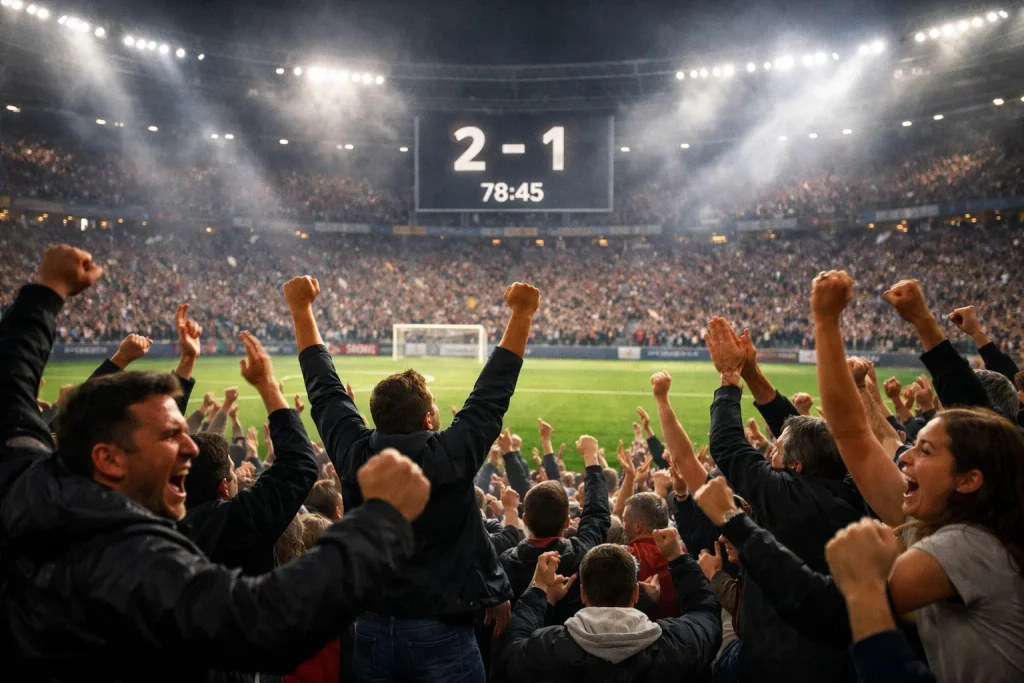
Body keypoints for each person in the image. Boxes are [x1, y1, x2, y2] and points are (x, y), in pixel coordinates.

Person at [0, 245, 431, 681]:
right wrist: (379, 519)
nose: (190, 446)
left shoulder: (26, 481)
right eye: (171, 436)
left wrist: (47, 291)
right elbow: (264, 619)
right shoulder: (131, 561)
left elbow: (12, 383)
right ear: (108, 458)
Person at [285, 273, 541, 682]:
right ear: (428, 420)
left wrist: (301, 310)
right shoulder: (451, 454)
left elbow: (325, 391)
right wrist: (522, 314)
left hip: (370, 627)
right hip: (441, 631)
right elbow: (491, 395)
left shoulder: (354, 453)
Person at [811, 270, 1024, 683]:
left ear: (969, 480)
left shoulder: (969, 544)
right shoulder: (946, 517)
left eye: (925, 450)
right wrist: (826, 324)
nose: (905, 455)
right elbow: (854, 436)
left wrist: (861, 574)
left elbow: (836, 612)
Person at [702, 315, 863, 681]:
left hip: (772, 660)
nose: (770, 452)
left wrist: (729, 378)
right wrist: (751, 372)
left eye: (776, 450)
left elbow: (727, 446)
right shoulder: (850, 487)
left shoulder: (785, 496)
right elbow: (801, 433)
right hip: (834, 659)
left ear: (796, 466)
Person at [182, 331, 320, 576]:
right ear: (223, 488)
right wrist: (267, 383)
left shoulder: (157, 524)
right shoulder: (240, 523)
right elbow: (299, 465)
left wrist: (187, 362)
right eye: (231, 473)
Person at [498, 532, 721, 681]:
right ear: (636, 593)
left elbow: (511, 649)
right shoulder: (678, 644)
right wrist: (678, 558)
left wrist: (539, 589)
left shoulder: (549, 648)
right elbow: (706, 613)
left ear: (583, 594)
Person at [499, 434, 610, 625]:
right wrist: (591, 458)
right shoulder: (581, 554)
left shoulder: (505, 562)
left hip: (522, 641)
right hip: (569, 641)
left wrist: (509, 454)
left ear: (524, 520)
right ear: (567, 522)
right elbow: (597, 515)